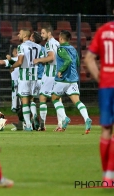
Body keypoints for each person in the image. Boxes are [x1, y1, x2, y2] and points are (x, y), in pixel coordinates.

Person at [85, 21, 114, 186]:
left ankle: (106, 176)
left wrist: (101, 79)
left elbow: (89, 59)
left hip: (106, 85)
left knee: (106, 130)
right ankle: (110, 176)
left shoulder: (103, 31)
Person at [51, 30, 92, 133]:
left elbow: (68, 60)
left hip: (63, 79)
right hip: (73, 79)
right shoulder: (73, 49)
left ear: (60, 38)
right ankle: (87, 119)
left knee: (55, 98)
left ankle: (64, 118)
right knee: (77, 101)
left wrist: (61, 70)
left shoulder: (60, 49)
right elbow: (78, 61)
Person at [11, 28, 43, 131]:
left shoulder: (21, 47)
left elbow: (20, 62)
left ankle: (28, 125)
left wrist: (12, 66)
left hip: (24, 76)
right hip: (34, 76)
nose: (18, 35)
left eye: (19, 34)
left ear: (25, 35)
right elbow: (41, 60)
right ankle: (34, 115)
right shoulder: (38, 46)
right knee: (32, 99)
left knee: (24, 102)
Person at [33, 24, 61, 131]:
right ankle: (60, 124)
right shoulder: (58, 43)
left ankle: (42, 125)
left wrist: (39, 60)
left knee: (42, 97)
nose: (42, 35)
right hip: (57, 74)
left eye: (43, 33)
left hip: (49, 75)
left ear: (49, 33)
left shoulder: (49, 44)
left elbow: (51, 57)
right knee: (57, 99)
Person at [0, 45, 23, 130]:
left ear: (14, 52)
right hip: (22, 83)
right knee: (22, 105)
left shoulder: (15, 59)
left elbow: (0, 63)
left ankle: (23, 123)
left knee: (19, 105)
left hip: (17, 85)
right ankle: (23, 123)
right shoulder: (23, 60)